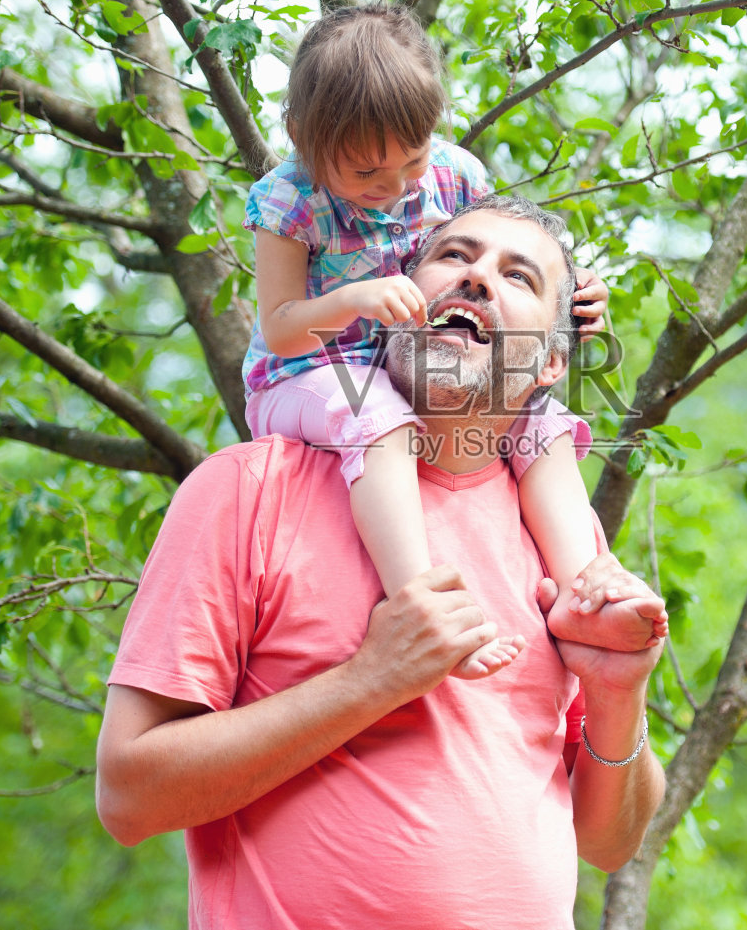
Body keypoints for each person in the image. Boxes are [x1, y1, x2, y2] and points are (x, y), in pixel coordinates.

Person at [97, 197, 666, 929]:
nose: (477, 278)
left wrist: (619, 694)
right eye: (454, 256)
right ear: (396, 304)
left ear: (552, 362)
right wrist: (372, 680)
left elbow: (609, 841)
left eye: (518, 275)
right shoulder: (249, 487)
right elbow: (128, 796)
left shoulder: (560, 534)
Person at [242, 3, 664, 678]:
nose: (393, 189)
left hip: (407, 361)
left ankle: (587, 585)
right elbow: (279, 327)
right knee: (377, 416)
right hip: (308, 372)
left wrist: (573, 291)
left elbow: (501, 250)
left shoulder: (454, 173)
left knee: (544, 422)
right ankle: (424, 600)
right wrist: (352, 300)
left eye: (410, 163)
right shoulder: (288, 201)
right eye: (365, 174)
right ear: (301, 138)